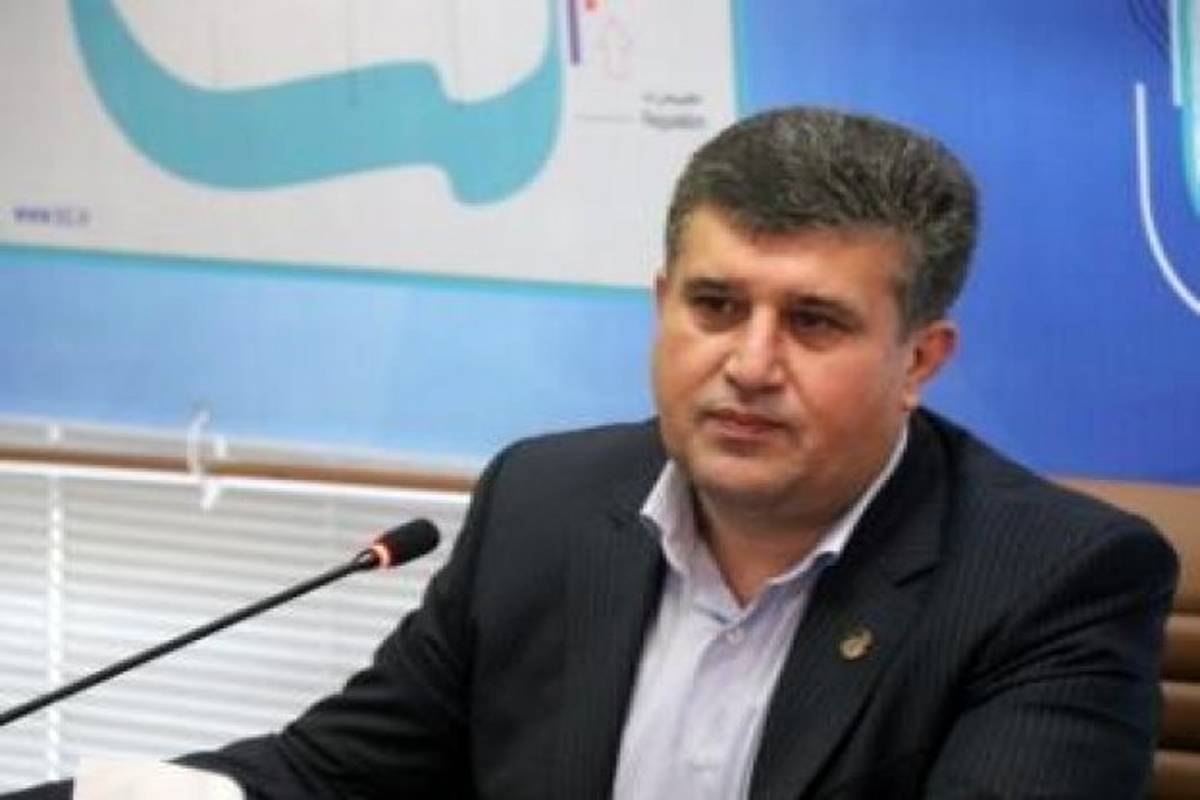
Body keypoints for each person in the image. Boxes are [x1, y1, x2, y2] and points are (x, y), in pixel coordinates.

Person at [8, 107, 1178, 799]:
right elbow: (330, 777)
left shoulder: (1053, 579)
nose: (750, 362)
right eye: (715, 305)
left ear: (920, 356)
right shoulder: (547, 500)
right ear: (662, 303)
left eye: (814, 322)